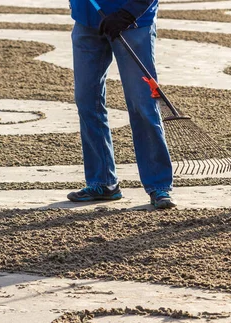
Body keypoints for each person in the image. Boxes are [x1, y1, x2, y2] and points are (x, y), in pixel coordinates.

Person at [67, 0, 176, 209]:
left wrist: (129, 13)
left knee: (142, 103)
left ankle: (158, 185)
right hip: (86, 19)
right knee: (87, 101)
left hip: (133, 23)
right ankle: (103, 182)